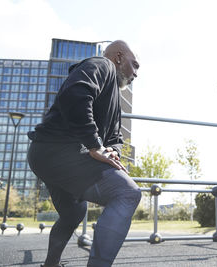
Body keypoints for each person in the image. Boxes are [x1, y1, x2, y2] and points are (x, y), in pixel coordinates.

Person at [27, 40, 141, 267]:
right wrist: (95, 145)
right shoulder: (102, 65)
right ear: (118, 57)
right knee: (127, 193)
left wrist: (112, 150)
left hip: (45, 156)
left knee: (74, 211)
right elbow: (75, 94)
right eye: (134, 64)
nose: (136, 74)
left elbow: (116, 139)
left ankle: (51, 264)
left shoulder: (114, 100)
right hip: (59, 150)